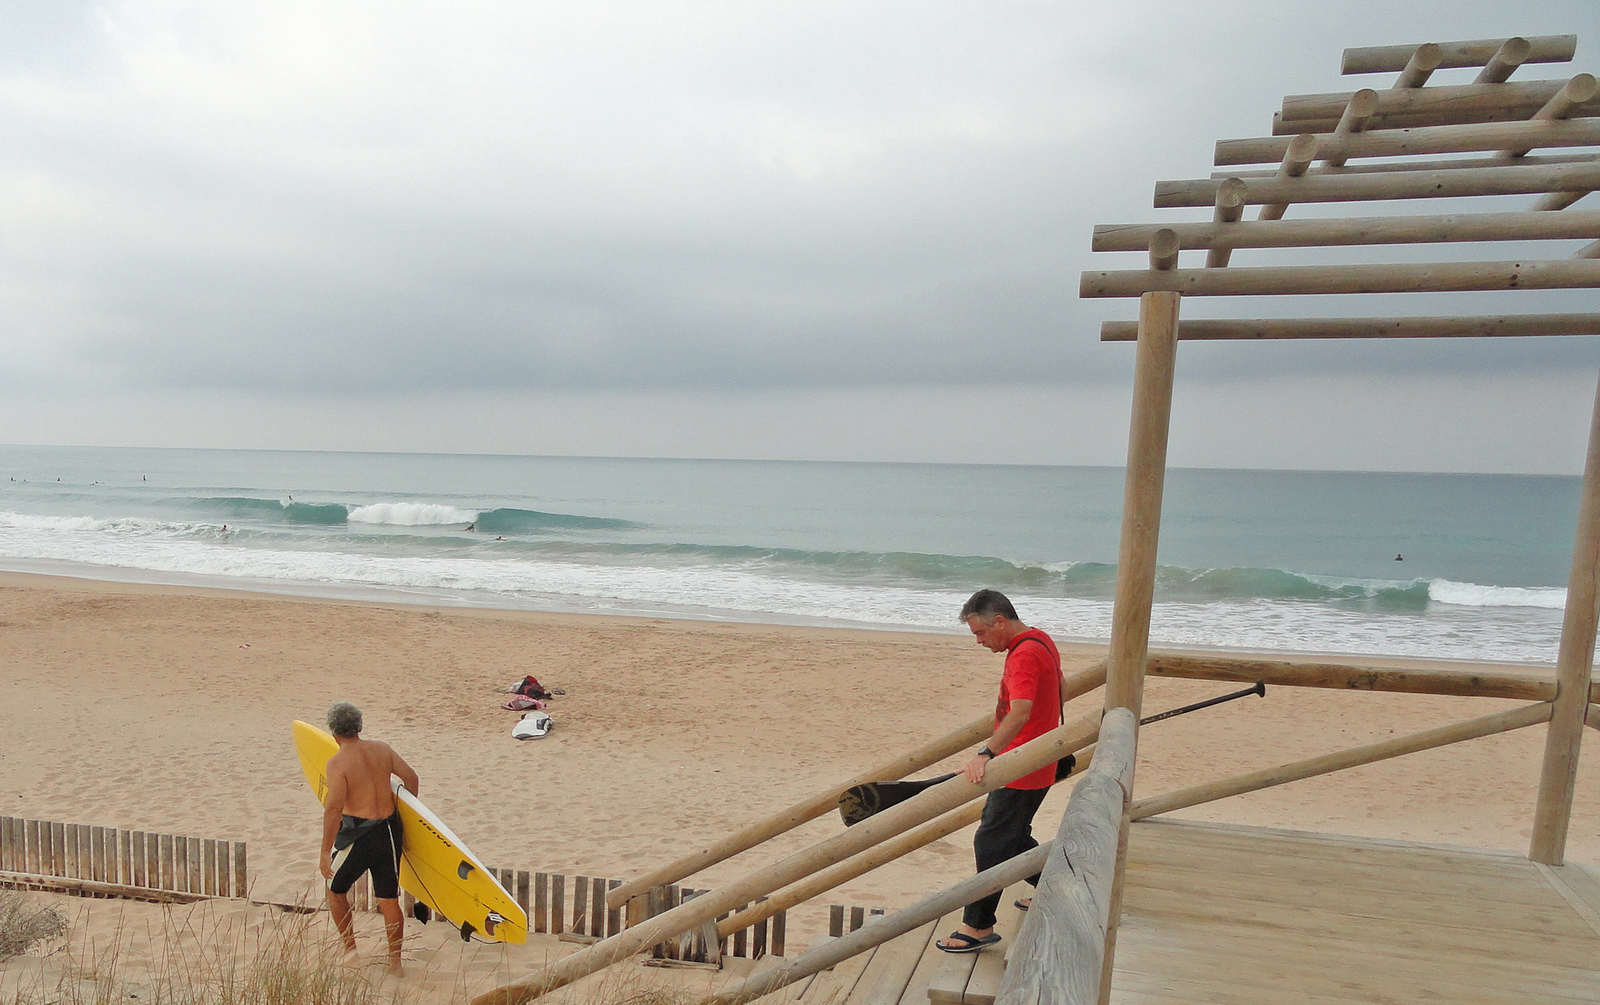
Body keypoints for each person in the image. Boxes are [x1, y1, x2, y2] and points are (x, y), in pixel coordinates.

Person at [936, 589, 1062, 953]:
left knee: (991, 841)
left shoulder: (1023, 654)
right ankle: (1059, 887)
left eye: (980, 633)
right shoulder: (1042, 640)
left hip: (1020, 767)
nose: (979, 642)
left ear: (1001, 622)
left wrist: (986, 752)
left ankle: (977, 926)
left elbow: (1020, 710)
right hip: (1039, 759)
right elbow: (1060, 689)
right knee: (1014, 838)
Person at [318, 702, 419, 975]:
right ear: (359, 726)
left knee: (335, 890)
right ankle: (395, 963)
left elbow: (334, 808)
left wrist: (325, 851)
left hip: (360, 835)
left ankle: (350, 951)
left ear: (333, 731)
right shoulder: (382, 749)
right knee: (388, 899)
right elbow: (411, 778)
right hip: (388, 830)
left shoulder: (338, 763)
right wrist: (406, 816)